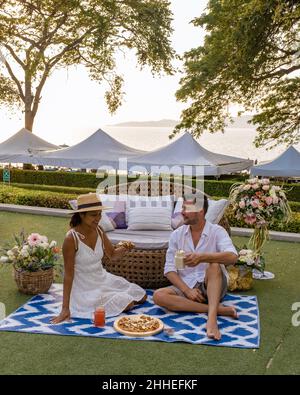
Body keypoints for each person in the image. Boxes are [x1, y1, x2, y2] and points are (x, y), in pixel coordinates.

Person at [153, 193, 238, 341]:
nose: (182, 212)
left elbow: (233, 256)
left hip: (213, 284)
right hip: (187, 286)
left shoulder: (217, 231)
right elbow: (169, 269)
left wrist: (203, 257)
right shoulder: (177, 235)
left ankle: (212, 320)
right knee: (158, 296)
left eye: (186, 208)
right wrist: (187, 290)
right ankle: (218, 310)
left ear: (200, 211)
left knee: (214, 265)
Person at [51, 193, 146, 324]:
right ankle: (103, 302)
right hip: (84, 287)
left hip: (102, 278)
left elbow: (112, 255)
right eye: (93, 215)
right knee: (128, 303)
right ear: (81, 215)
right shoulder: (71, 239)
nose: (98, 218)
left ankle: (111, 298)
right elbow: (68, 275)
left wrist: (126, 247)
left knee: (141, 295)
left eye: (99, 214)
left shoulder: (99, 230)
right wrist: (65, 308)